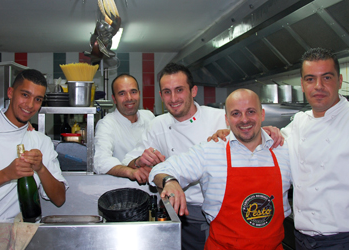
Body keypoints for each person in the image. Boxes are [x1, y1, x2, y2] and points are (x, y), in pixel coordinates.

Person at [211, 48, 349, 249]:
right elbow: (262, 145)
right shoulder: (298, 123)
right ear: (302, 84)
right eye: (310, 79)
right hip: (305, 241)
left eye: (326, 77)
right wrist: (229, 134)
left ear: (339, 81)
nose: (318, 86)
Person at [150, 89, 292, 249]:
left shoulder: (283, 150)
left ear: (262, 114)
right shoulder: (210, 151)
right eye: (236, 114)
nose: (244, 120)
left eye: (251, 112)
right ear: (227, 119)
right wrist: (170, 181)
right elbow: (159, 170)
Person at [121, 62, 228, 250]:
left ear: (193, 91)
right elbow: (127, 161)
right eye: (167, 92)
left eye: (179, 90)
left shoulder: (221, 118)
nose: (173, 98)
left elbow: (255, 139)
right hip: (183, 213)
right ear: (161, 96)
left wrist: (268, 131)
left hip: (225, 212)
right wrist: (139, 161)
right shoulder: (158, 125)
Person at [0, 69, 67, 223]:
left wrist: (41, 168)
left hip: (21, 230)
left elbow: (59, 199)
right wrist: (6, 174)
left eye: (38, 99)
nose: (30, 105)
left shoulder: (41, 141)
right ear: (10, 92)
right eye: (25, 95)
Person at [93, 74, 155, 183]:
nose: (129, 98)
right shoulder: (107, 124)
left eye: (133, 92)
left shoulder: (149, 117)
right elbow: (100, 162)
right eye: (122, 93)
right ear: (114, 99)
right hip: (122, 187)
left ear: (139, 94)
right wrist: (131, 172)